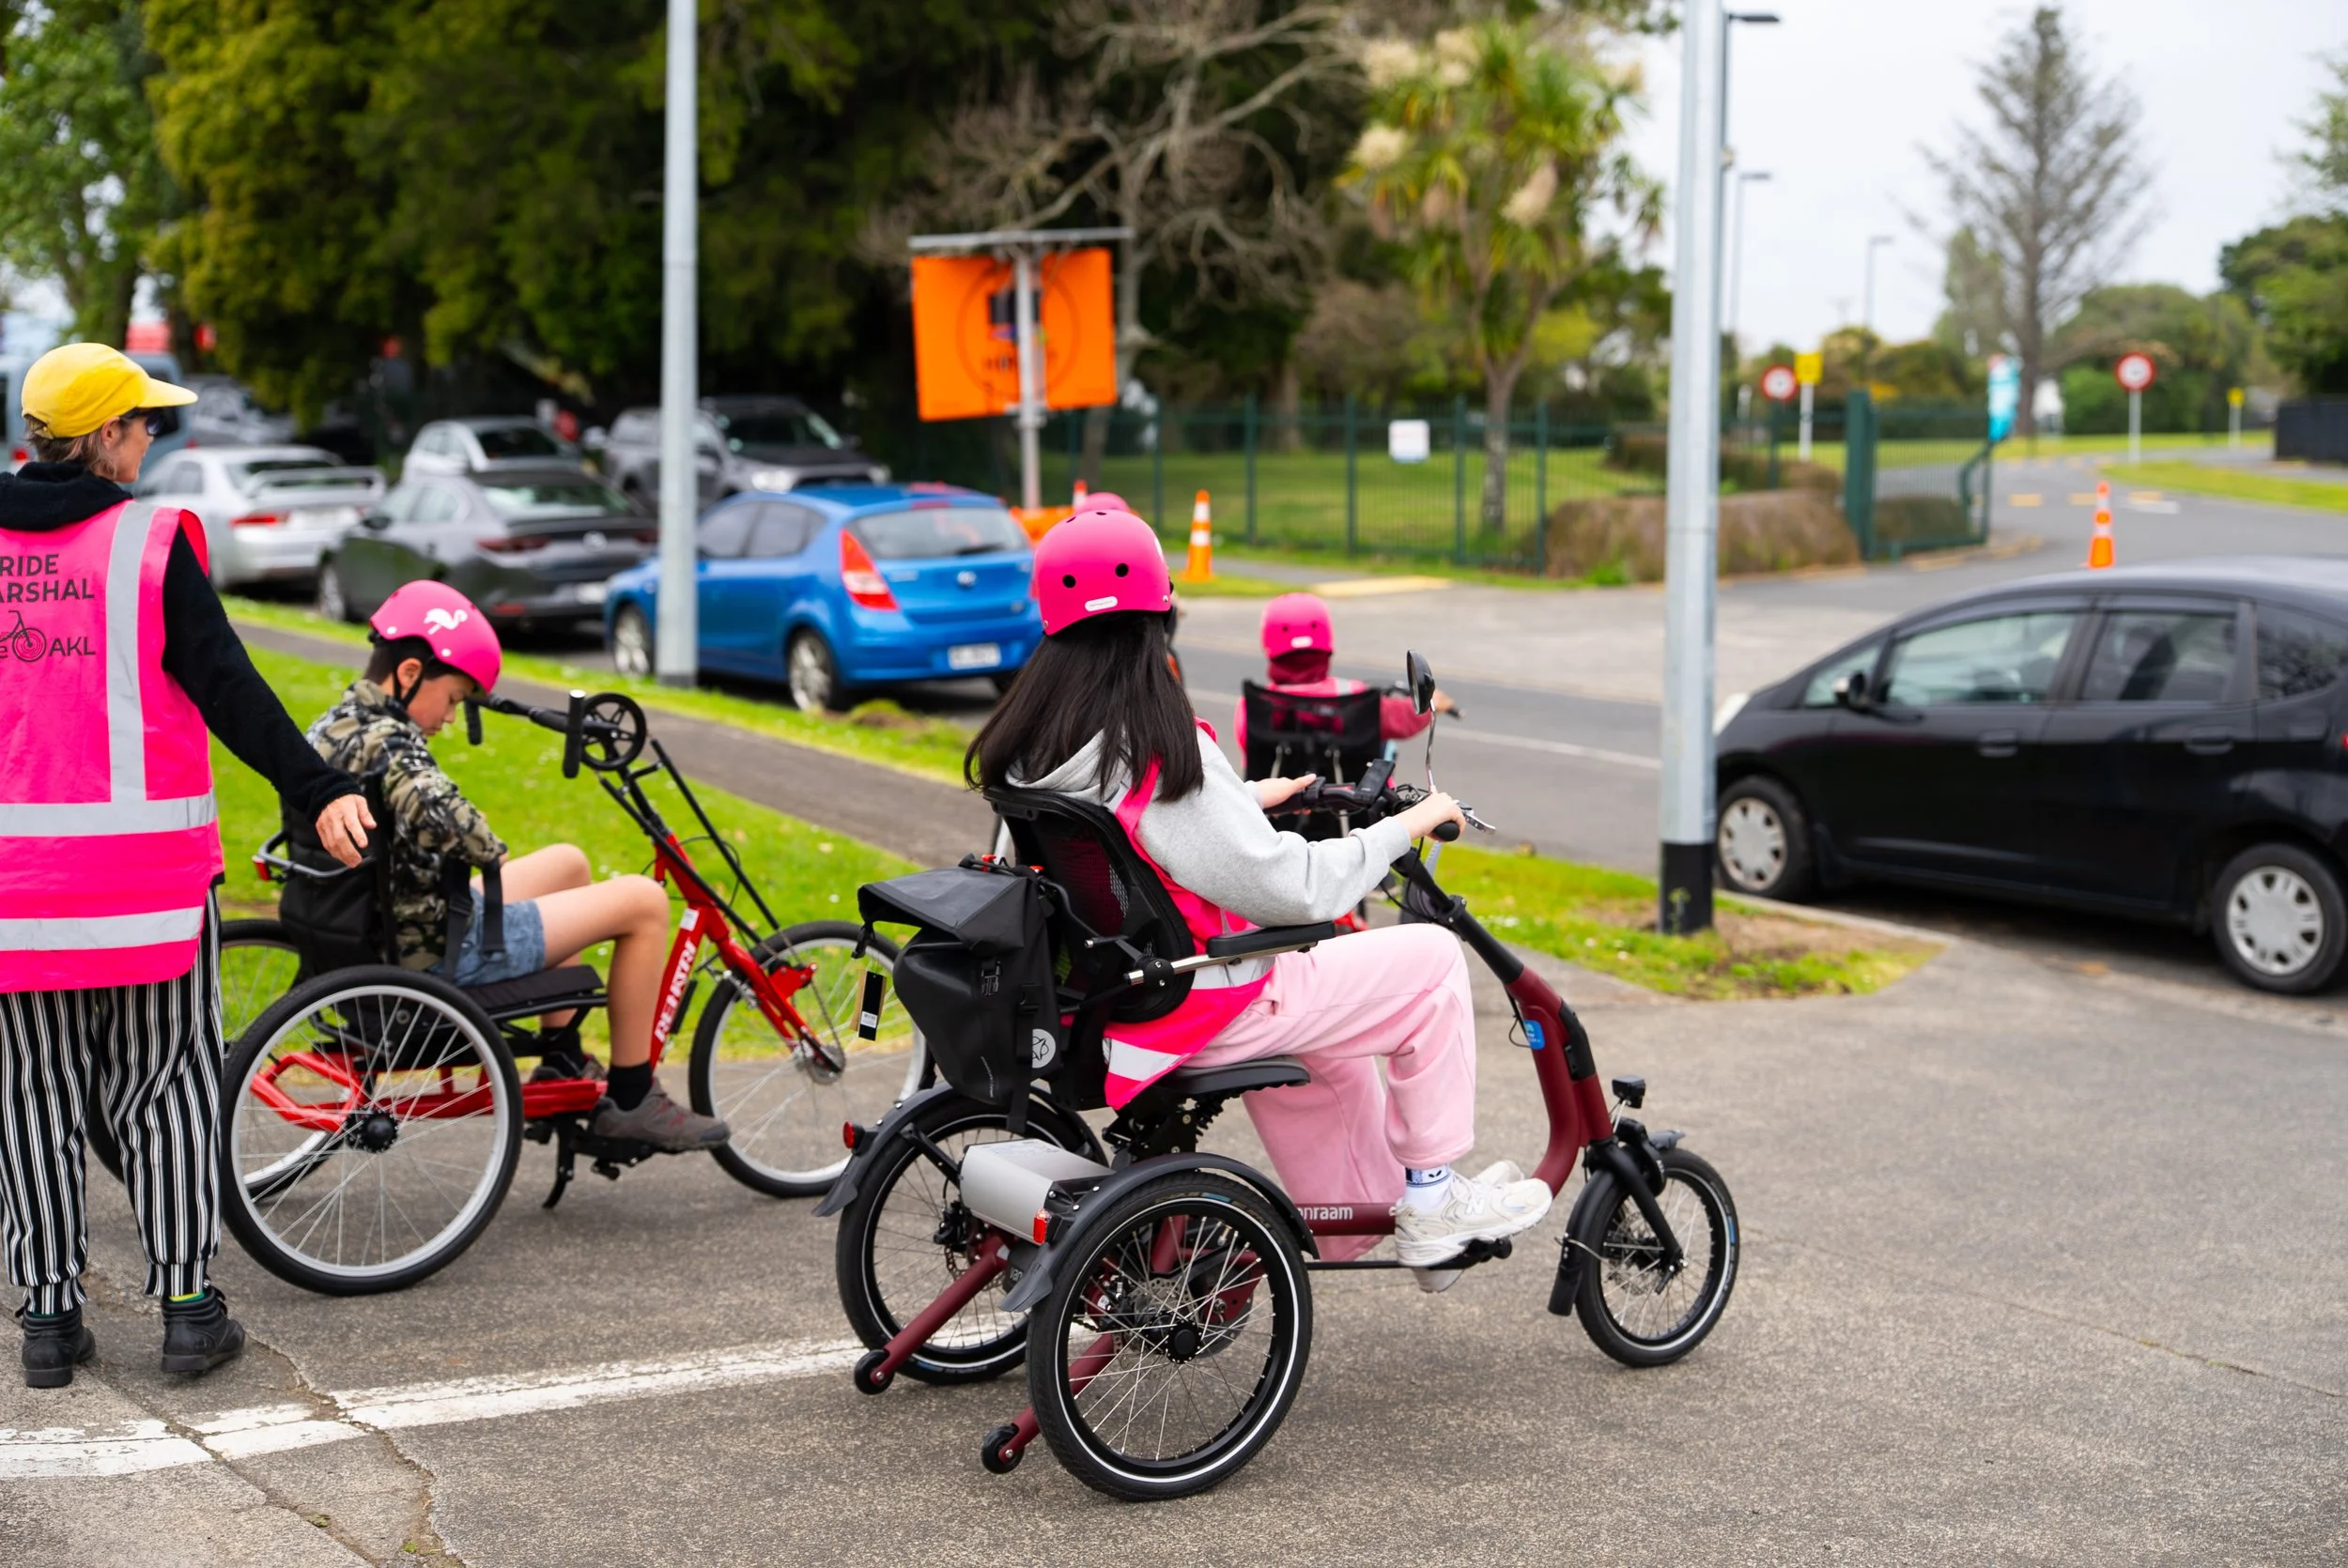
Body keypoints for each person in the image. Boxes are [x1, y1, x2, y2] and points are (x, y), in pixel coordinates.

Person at [969, 507, 1551, 1290]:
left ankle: (1356, 1220)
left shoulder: (1034, 743)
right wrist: (1404, 827)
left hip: (1108, 1003)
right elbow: (1291, 888)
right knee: (1432, 961)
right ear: (1158, 617)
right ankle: (1436, 1197)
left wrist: (1237, 801)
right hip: (1201, 1000)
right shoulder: (1157, 742)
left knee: (1336, 1053)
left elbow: (1131, 834)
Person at [0, 343, 377, 1388]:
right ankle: (185, 1309)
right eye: (143, 421)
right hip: (144, 895)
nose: (151, 438)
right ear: (106, 436)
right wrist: (321, 787)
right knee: (166, 1090)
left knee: (31, 1096)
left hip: (14, 898)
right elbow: (231, 687)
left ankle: (47, 1317)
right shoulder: (149, 544)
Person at [304, 581, 729, 1152]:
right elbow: (468, 833)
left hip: (383, 919)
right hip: (435, 951)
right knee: (644, 901)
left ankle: (561, 1060)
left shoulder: (336, 723)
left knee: (569, 863)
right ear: (409, 674)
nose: (452, 718)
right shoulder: (393, 746)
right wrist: (483, 843)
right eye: (454, 698)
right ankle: (633, 1097)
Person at [1231, 591, 1455, 761]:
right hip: (1349, 814)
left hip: (1273, 815)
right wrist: (1433, 704)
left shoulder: (1254, 706)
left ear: (1268, 645)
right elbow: (1402, 720)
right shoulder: (1354, 698)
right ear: (1327, 644)